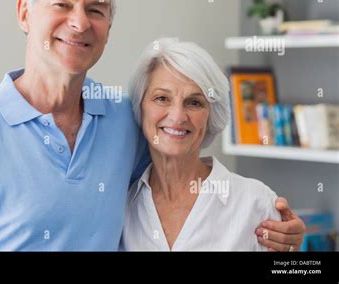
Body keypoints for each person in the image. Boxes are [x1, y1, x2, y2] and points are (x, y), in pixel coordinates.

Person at [0, 0, 305, 251]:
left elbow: (181, 163)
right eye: (62, 4)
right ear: (25, 13)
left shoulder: (125, 121)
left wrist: (285, 238)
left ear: (109, 26)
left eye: (97, 10)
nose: (79, 22)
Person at [122, 38, 303, 251]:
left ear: (210, 116)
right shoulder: (122, 205)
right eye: (162, 98)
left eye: (194, 102)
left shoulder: (256, 203)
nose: (178, 116)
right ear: (140, 108)